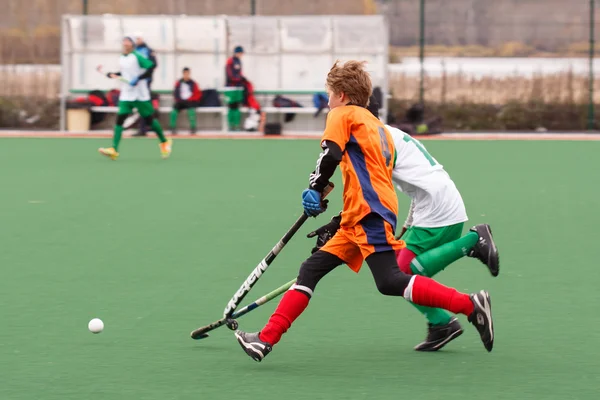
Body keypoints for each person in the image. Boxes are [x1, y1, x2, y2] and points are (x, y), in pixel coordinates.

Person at [234, 60, 494, 362]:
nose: (328, 101)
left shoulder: (341, 114)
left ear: (342, 94)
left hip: (369, 214)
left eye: (330, 94)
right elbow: (365, 177)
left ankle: (470, 305)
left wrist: (315, 189)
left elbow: (329, 154)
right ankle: (264, 340)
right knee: (311, 269)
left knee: (390, 280)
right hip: (363, 215)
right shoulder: (376, 127)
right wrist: (339, 220)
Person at [306, 97, 499, 352]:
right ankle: (441, 323)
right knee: (404, 272)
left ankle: (473, 243)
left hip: (436, 208)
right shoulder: (390, 135)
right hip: (439, 202)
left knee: (400, 272)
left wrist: (337, 222)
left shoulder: (373, 141)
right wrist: (405, 227)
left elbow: (370, 196)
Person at [98, 36, 172, 160]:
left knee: (149, 120)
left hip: (140, 94)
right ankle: (114, 149)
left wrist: (139, 78)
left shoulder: (137, 56)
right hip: (126, 94)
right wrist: (114, 74)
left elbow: (151, 67)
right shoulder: (121, 58)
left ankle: (164, 142)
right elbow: (125, 73)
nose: (125, 44)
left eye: (128, 42)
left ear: (132, 45)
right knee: (120, 119)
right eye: (124, 42)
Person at [225, 45, 262, 131]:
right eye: (240, 53)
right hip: (231, 88)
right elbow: (230, 75)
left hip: (238, 88)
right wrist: (238, 79)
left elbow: (239, 74)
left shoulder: (239, 61)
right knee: (231, 107)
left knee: (237, 106)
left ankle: (237, 125)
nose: (241, 54)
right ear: (236, 52)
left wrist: (243, 79)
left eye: (241, 53)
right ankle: (231, 126)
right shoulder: (230, 61)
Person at [132, 32, 158, 137]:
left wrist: (143, 77)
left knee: (144, 105)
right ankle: (142, 127)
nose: (137, 41)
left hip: (144, 82)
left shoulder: (148, 51)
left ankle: (144, 127)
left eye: (139, 38)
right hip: (134, 83)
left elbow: (153, 65)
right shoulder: (133, 51)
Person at [170, 67, 202, 135]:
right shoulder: (178, 83)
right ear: (183, 74)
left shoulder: (193, 83)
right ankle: (172, 127)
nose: (186, 75)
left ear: (189, 74)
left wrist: (191, 100)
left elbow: (197, 94)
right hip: (180, 101)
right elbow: (175, 93)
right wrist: (179, 99)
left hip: (190, 101)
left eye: (188, 73)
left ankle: (193, 128)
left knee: (191, 111)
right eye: (185, 73)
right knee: (174, 112)